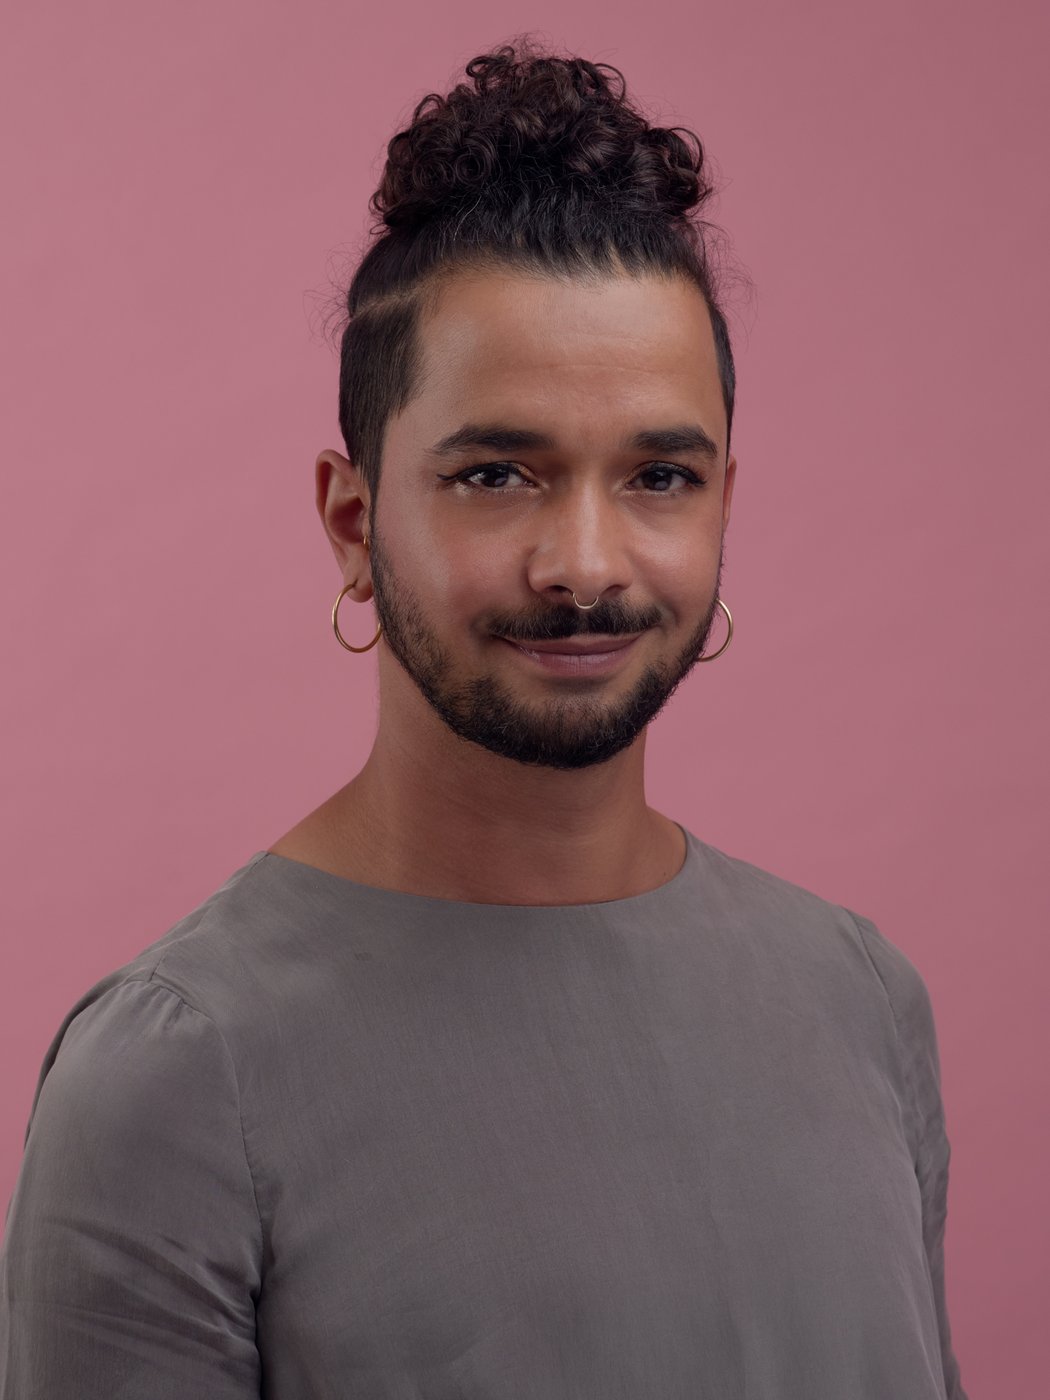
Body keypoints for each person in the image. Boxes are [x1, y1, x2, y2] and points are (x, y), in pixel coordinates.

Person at [0, 39, 967, 1399]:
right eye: (498, 472)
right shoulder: (176, 1078)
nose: (584, 562)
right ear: (353, 521)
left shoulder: (859, 1000)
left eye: (657, 476)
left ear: (724, 504)